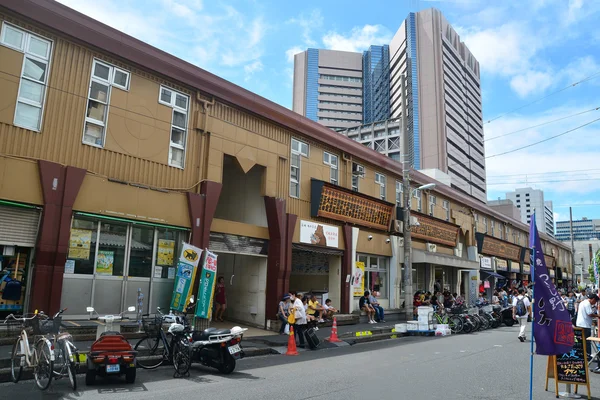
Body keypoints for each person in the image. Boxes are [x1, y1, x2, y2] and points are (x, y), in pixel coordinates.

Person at [576, 293, 600, 372]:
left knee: (580, 341)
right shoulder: (587, 304)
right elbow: (589, 314)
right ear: (593, 299)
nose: (594, 303)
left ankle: (581, 355)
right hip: (585, 325)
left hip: (579, 324)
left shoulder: (583, 302)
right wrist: (597, 316)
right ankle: (588, 356)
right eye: (595, 302)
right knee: (587, 342)